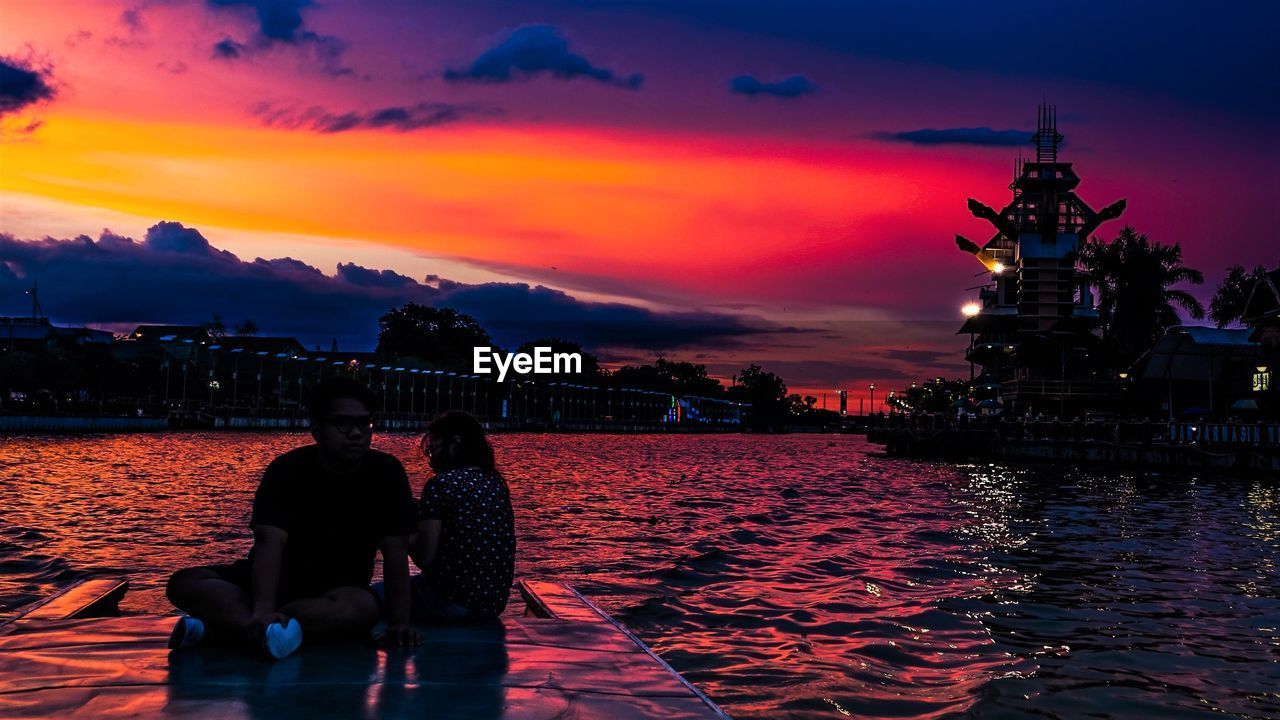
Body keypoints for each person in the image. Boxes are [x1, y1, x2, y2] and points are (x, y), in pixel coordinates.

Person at [165, 376, 420, 659]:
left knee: (363, 607)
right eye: (343, 423)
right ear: (316, 429)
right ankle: (268, 629)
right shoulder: (287, 469)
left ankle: (233, 629)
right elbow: (269, 544)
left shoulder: (386, 472)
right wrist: (263, 608)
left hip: (335, 592)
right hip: (268, 581)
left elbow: (396, 552)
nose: (357, 433)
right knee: (184, 582)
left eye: (365, 423)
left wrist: (399, 623)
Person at [409, 411, 515, 621]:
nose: (430, 460)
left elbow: (424, 557)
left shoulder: (441, 484)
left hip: (446, 603)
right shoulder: (495, 483)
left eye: (432, 450)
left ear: (455, 443)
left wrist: (403, 528)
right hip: (491, 606)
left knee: (370, 597)